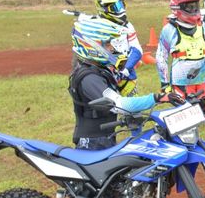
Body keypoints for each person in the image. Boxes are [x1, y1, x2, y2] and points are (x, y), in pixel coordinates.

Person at [68, 18, 179, 150]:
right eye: (107, 44)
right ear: (92, 45)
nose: (112, 47)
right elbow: (119, 104)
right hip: (92, 144)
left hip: (103, 138)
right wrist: (158, 98)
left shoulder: (97, 70)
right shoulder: (89, 78)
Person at [156, 0, 205, 150]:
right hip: (181, 84)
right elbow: (161, 57)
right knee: (184, 116)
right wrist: (165, 84)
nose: (194, 10)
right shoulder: (169, 30)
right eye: (190, 7)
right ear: (178, 7)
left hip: (203, 81)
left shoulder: (202, 27)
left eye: (195, 6)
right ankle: (181, 145)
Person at [92, 0, 144, 96]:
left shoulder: (127, 25)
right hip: (103, 77)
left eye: (121, 5)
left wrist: (125, 69)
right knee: (106, 110)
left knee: (134, 110)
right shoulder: (95, 28)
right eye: (116, 7)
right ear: (104, 9)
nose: (121, 9)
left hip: (127, 77)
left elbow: (137, 50)